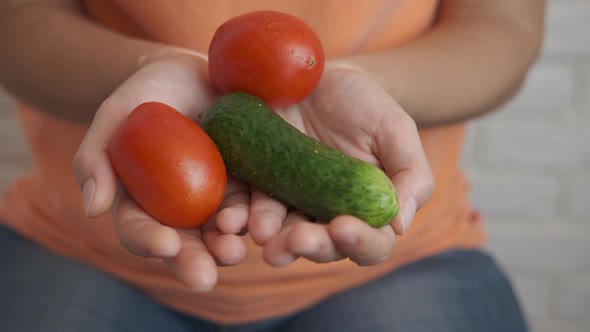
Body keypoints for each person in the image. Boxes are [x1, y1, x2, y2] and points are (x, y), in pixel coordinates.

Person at [0, 0, 545, 331]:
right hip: (78, 247)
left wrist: (372, 85)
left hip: (412, 257)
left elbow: (501, 27)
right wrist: (144, 68)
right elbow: (17, 20)